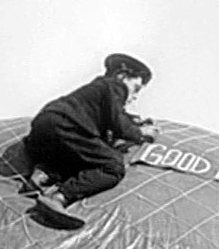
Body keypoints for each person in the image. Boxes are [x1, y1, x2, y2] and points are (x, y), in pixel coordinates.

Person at [23, 53, 160, 229]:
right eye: (136, 88)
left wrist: (133, 121)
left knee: (87, 158)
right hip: (67, 126)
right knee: (112, 166)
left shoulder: (94, 91)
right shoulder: (114, 86)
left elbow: (110, 119)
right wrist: (139, 133)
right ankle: (58, 198)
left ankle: (42, 174)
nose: (134, 97)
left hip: (43, 129)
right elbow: (118, 123)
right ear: (122, 76)